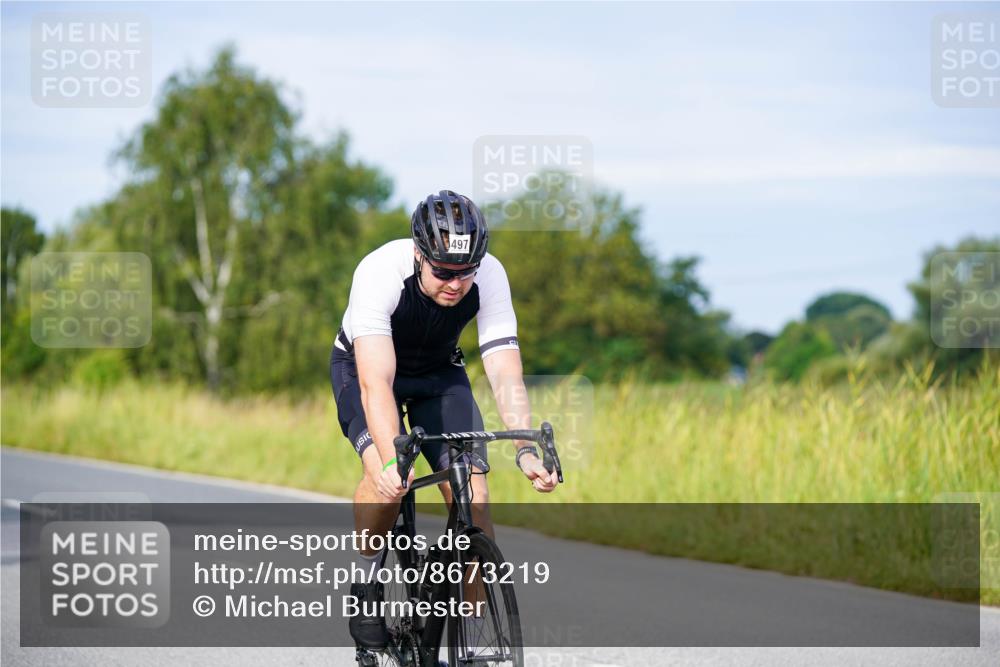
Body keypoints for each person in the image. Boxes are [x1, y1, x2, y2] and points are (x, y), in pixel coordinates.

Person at [329, 190, 559, 649]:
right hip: (368, 369)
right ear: (419, 254)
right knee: (385, 477)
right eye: (444, 273)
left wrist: (525, 449)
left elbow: (503, 364)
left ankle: (468, 640)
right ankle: (367, 581)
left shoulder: (490, 274)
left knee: (475, 495)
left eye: (465, 273)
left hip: (438, 372)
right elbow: (377, 382)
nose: (456, 284)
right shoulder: (379, 272)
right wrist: (393, 461)